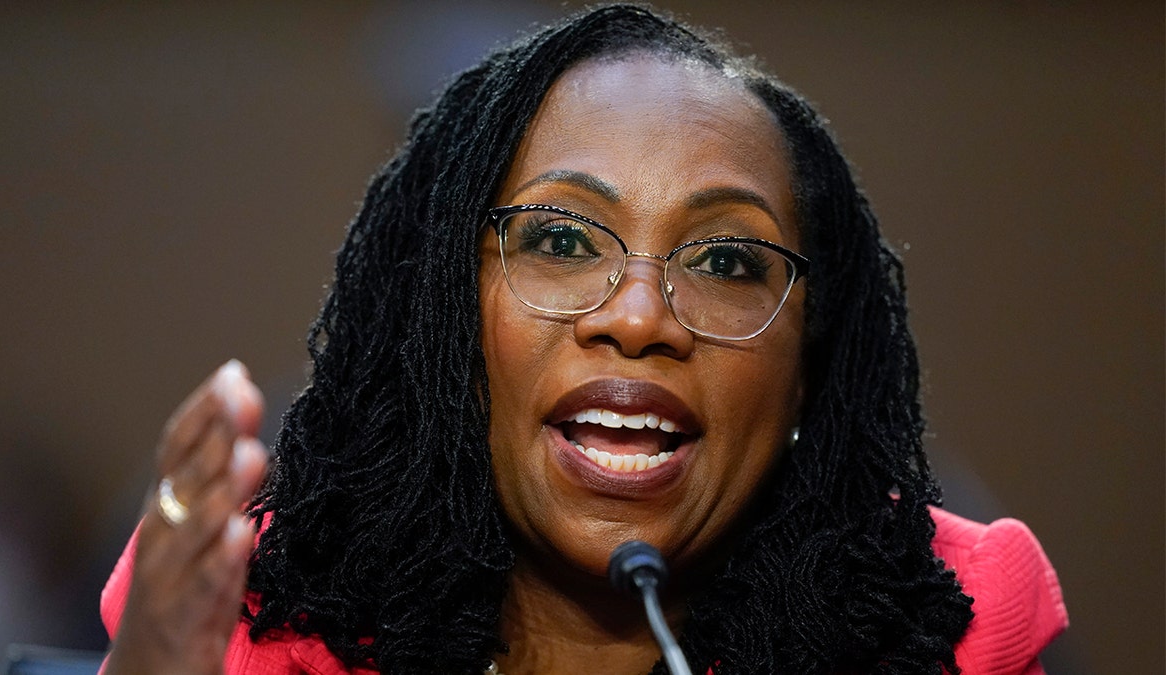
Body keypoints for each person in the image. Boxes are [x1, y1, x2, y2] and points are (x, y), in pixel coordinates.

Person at [99, 5, 1067, 674]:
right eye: (560, 240)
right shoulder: (245, 621)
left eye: (727, 261)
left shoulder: (947, 628)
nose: (638, 318)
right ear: (440, 316)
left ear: (811, 366)